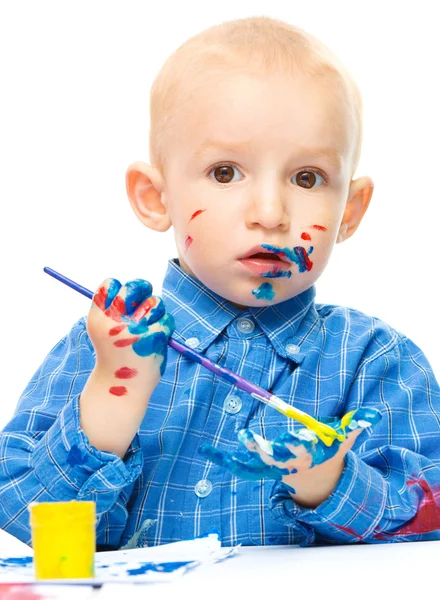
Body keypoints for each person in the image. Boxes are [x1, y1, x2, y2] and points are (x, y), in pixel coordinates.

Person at [1, 16, 439, 550]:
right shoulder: (104, 350)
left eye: (307, 178)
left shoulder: (376, 359)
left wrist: (329, 483)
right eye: (226, 172)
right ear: (156, 198)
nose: (271, 213)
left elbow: (429, 517)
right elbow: (25, 520)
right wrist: (112, 400)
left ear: (349, 209)